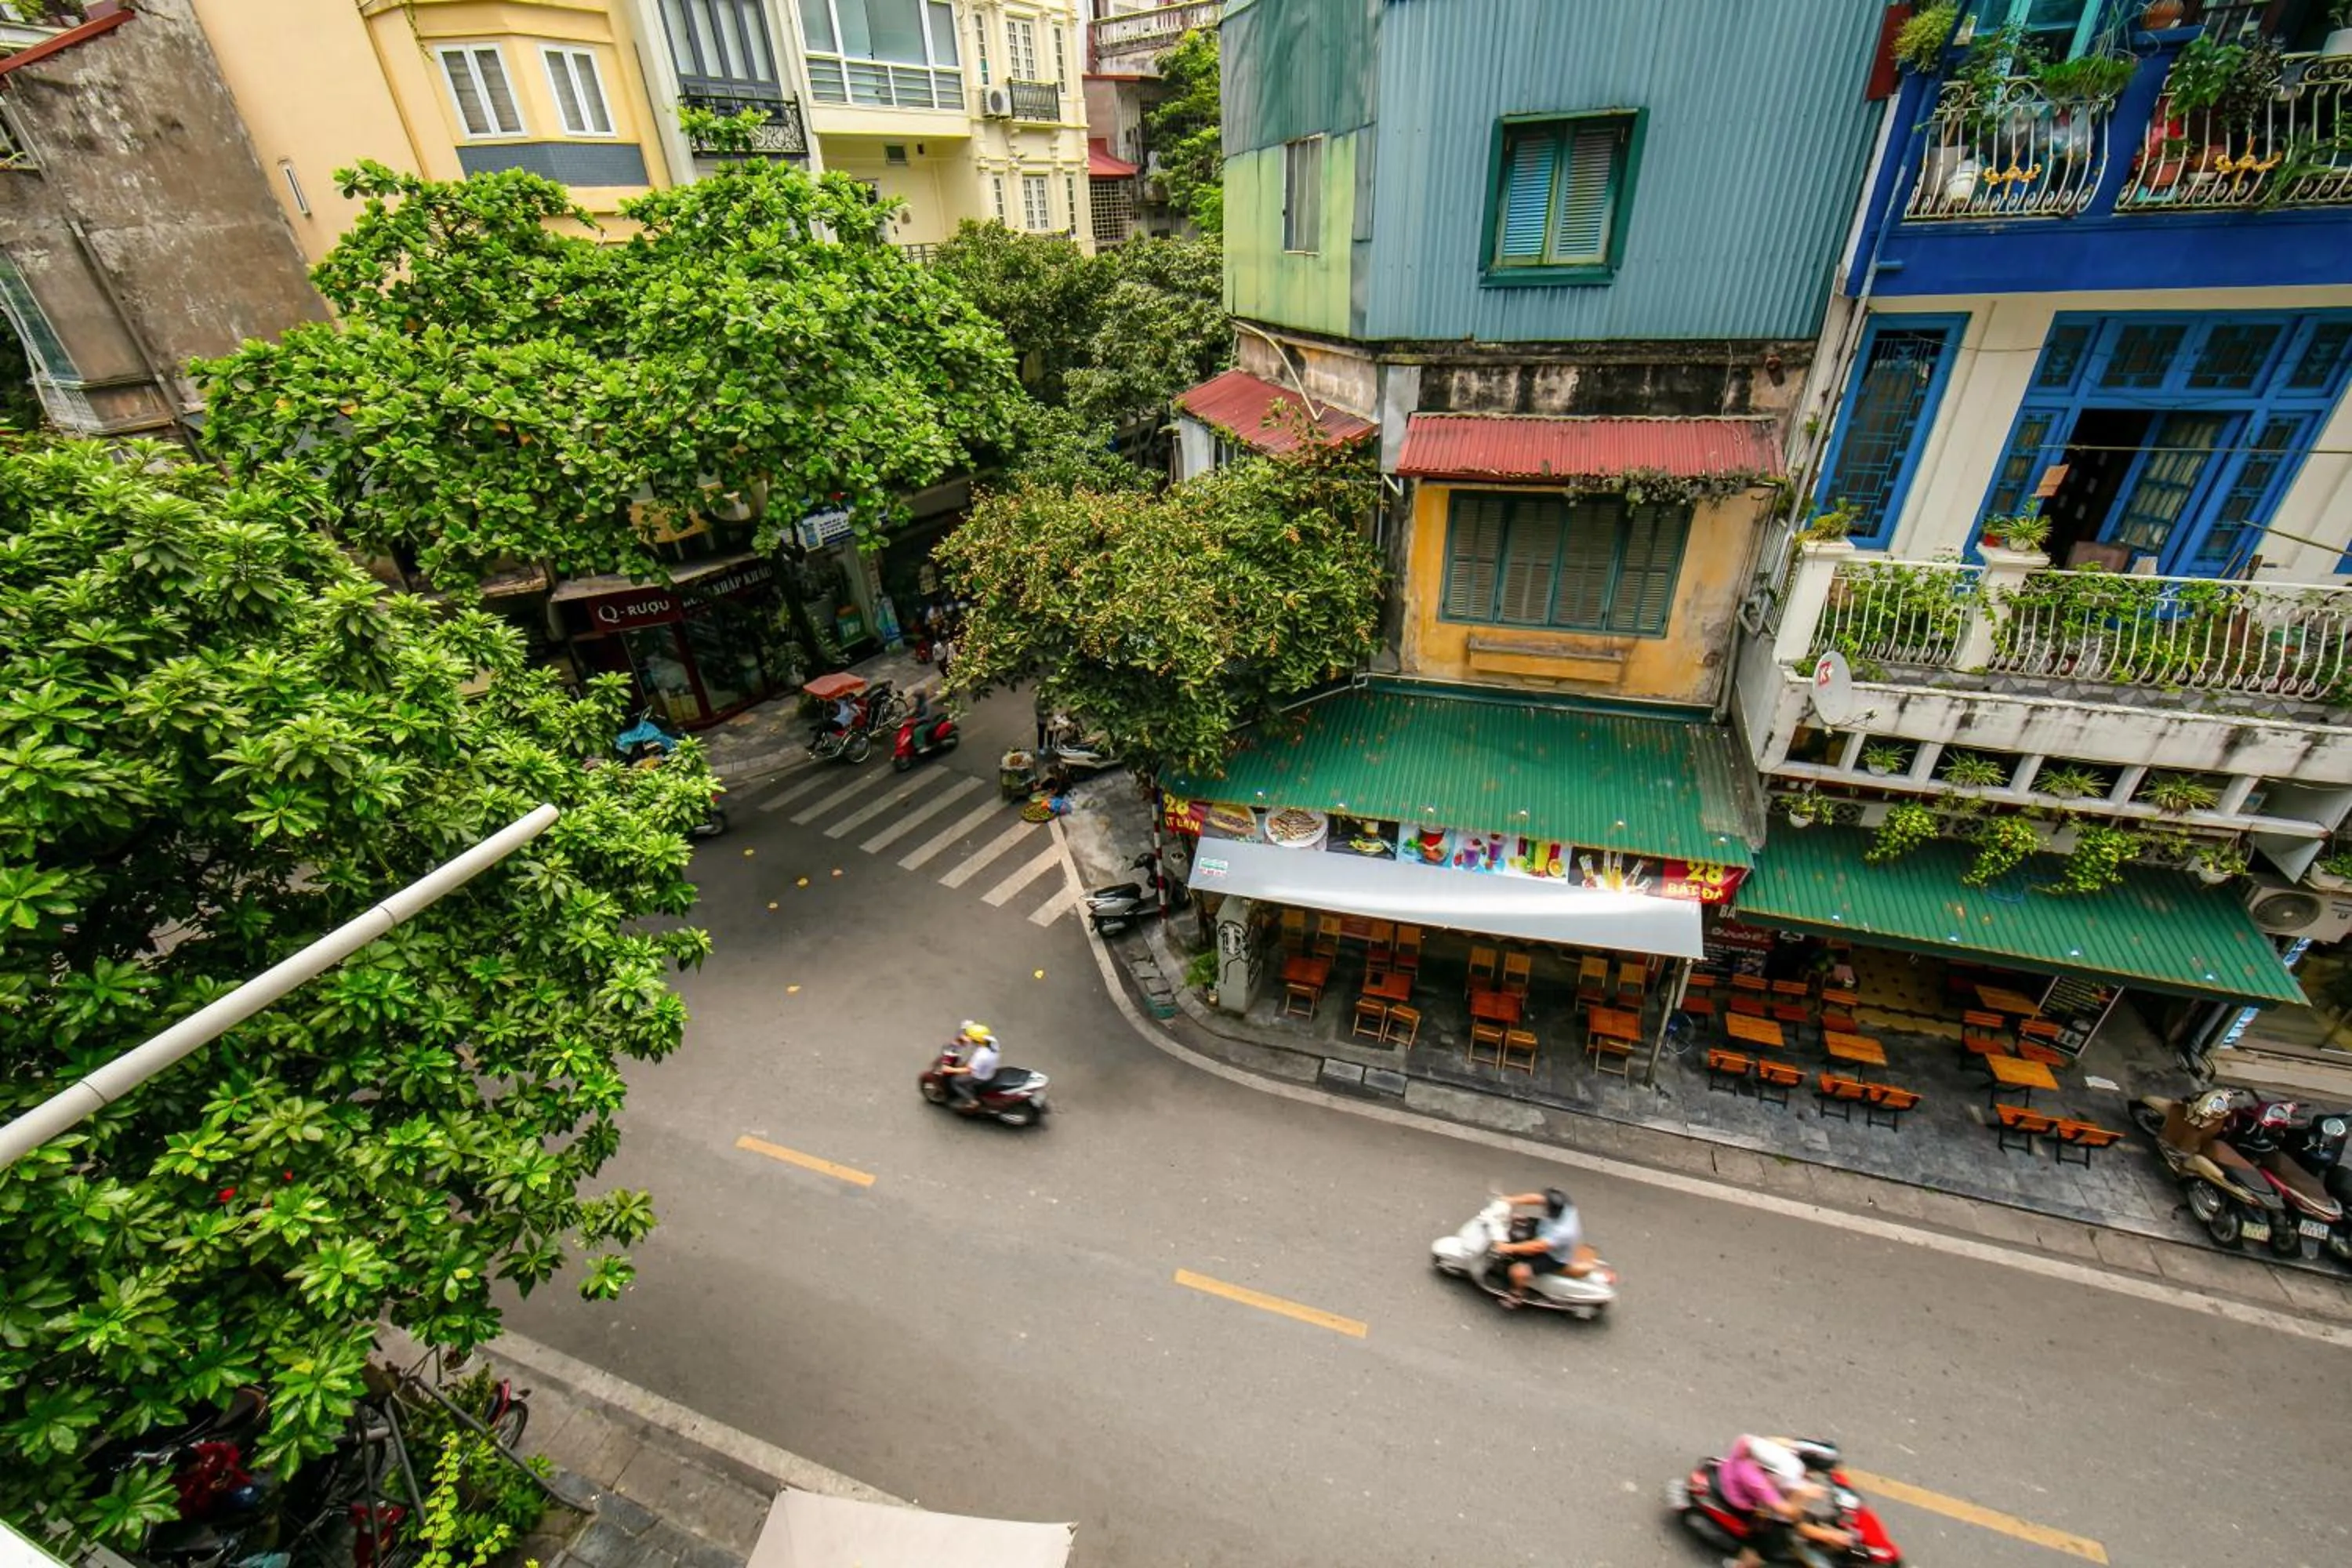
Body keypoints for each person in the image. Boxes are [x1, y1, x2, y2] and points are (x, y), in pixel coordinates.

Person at [1717, 1436, 1852, 1568]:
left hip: (1742, 1475)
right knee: (1770, 1534)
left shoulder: (1780, 1449)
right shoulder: (1757, 1481)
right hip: (1742, 1499)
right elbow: (1789, 1515)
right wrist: (1804, 1495)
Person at [1488, 1188, 1585, 1305]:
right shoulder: (1564, 1205)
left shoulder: (1563, 1232)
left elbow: (1537, 1247)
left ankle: (1516, 1294)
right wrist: (1512, 1200)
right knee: (1515, 1225)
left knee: (1518, 1271)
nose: (1543, 1203)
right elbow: (1537, 1199)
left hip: (1553, 1256)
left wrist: (1508, 1248)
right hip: (1544, 1231)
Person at [939, 1022, 1000, 1108]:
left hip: (980, 1076)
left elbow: (969, 1070)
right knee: (964, 1065)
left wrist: (950, 1069)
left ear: (975, 1040)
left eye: (970, 1037)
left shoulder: (981, 1056)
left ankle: (972, 1101)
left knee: (956, 1082)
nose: (969, 1038)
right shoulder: (991, 1042)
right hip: (988, 1068)